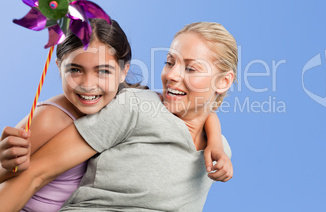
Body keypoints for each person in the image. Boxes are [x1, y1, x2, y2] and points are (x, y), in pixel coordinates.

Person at [0, 21, 237, 211]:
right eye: (169, 62)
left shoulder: (218, 152)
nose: (172, 75)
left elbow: (201, 112)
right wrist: (5, 166)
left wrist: (214, 138)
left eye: (190, 68)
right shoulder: (129, 107)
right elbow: (34, 174)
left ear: (224, 81)